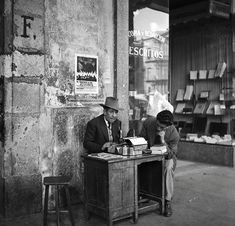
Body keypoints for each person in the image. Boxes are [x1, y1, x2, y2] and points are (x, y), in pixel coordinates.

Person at [139, 110, 180, 217]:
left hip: (166, 158)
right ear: (156, 120)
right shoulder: (148, 122)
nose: (158, 129)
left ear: (167, 127)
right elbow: (141, 140)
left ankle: (167, 201)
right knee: (135, 164)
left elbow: (171, 154)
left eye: (162, 128)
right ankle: (141, 193)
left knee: (168, 166)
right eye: (158, 125)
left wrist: (163, 140)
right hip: (149, 154)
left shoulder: (174, 134)